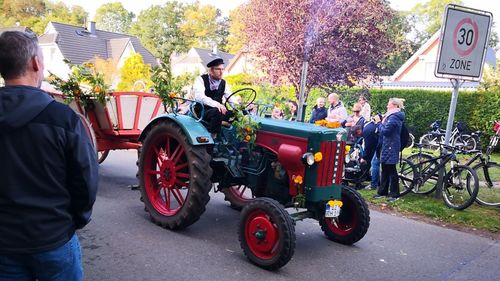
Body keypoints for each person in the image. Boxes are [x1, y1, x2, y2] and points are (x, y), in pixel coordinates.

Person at [0, 31, 98, 280]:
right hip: (53, 239)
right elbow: (85, 180)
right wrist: (73, 221)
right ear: (35, 63)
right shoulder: (63, 119)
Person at [373, 98, 406, 202]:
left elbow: (386, 131)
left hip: (391, 145)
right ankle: (382, 192)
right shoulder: (390, 116)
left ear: (395, 106)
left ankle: (394, 194)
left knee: (392, 170)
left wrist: (378, 123)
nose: (387, 106)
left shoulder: (394, 117)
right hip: (387, 145)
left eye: (389, 104)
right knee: (385, 169)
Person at [192, 57, 234, 137]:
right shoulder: (201, 79)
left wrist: (241, 109)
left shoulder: (223, 83)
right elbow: (200, 97)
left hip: (217, 111)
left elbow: (231, 98)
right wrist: (216, 104)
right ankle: (212, 139)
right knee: (216, 112)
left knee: (236, 114)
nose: (221, 72)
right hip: (203, 110)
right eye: (218, 69)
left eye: (222, 69)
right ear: (211, 70)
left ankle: (233, 142)